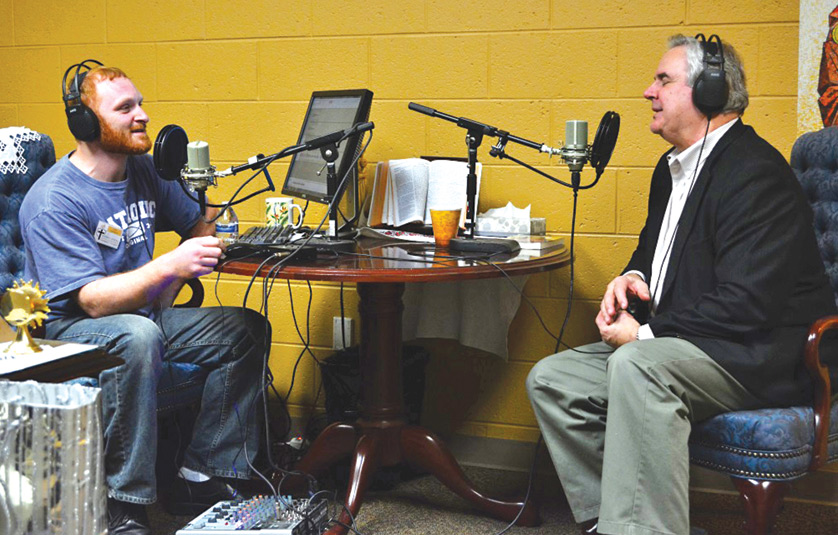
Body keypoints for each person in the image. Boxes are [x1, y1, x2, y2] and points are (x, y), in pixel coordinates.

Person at [526, 34, 838, 535]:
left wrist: (644, 336)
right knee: (552, 380)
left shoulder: (755, 173)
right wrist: (630, 279)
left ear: (710, 92)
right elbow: (652, 252)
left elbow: (746, 303)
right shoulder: (671, 169)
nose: (649, 91)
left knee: (637, 365)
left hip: (757, 357)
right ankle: (611, 522)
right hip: (693, 345)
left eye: (663, 80)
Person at [19, 63, 270, 535]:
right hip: (67, 336)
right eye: (126, 108)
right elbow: (91, 301)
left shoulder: (145, 171)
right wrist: (170, 266)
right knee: (136, 336)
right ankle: (124, 503)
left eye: (141, 104)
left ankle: (205, 472)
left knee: (243, 330)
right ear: (85, 124)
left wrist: (210, 209)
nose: (144, 116)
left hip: (143, 317)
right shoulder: (54, 200)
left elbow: (198, 222)